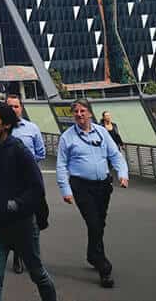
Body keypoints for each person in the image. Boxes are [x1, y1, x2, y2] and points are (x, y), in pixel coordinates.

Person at [0, 102, 57, 301]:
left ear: (6, 124)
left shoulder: (19, 151)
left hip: (21, 226)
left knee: (37, 273)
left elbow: (36, 188)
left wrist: (14, 205)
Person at [57, 99, 129, 289]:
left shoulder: (102, 132)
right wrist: (65, 190)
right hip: (81, 187)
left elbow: (115, 155)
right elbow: (61, 165)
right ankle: (103, 267)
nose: (79, 114)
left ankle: (91, 254)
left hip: (103, 186)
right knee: (94, 222)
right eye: (76, 112)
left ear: (90, 113)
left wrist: (122, 174)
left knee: (99, 223)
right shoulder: (67, 137)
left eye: (82, 111)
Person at [6, 93, 46, 274]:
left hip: (30, 183)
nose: (13, 109)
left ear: (21, 108)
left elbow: (41, 153)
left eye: (16, 106)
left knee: (33, 222)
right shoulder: (3, 129)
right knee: (14, 219)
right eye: (10, 106)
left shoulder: (32, 128)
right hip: (10, 184)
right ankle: (17, 254)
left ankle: (33, 258)